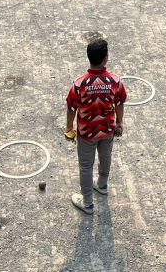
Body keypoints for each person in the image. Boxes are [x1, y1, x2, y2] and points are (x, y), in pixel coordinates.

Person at [65, 38, 127, 215]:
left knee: (86, 166)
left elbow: (71, 108)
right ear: (106, 58)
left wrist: (69, 128)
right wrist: (119, 123)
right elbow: (120, 103)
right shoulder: (115, 81)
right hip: (107, 130)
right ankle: (102, 185)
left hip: (87, 133)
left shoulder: (79, 84)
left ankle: (87, 203)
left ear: (88, 57)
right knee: (106, 156)